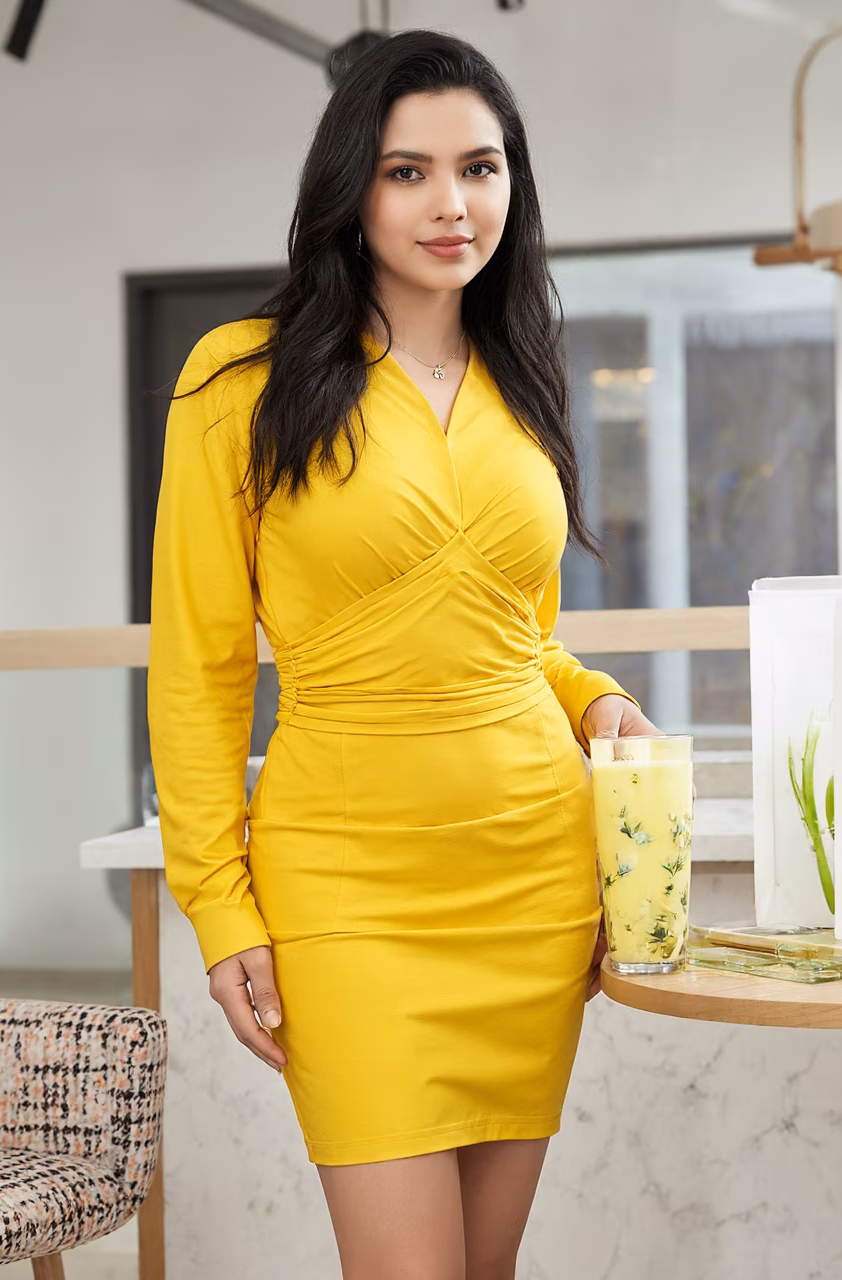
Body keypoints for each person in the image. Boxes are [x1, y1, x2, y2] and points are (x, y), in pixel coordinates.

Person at [146, 30, 659, 1278]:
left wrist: (598, 700)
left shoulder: (525, 375)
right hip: (350, 891)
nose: (451, 204)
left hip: (534, 876)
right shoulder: (238, 380)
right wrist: (218, 904)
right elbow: (200, 667)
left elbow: (520, 635)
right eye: (408, 171)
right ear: (351, 188)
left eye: (480, 168)